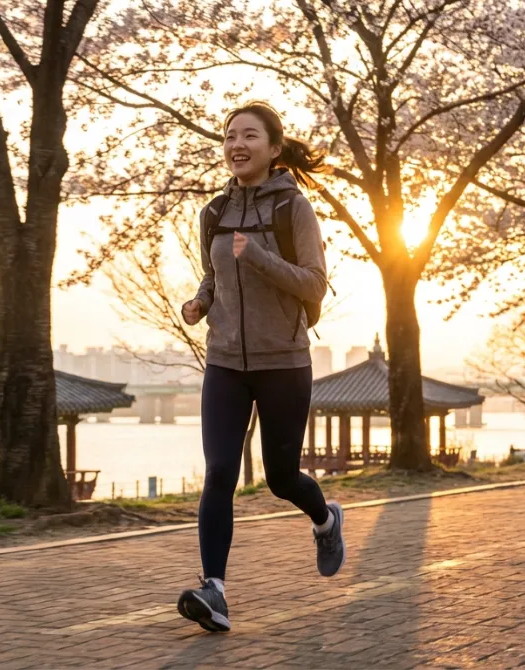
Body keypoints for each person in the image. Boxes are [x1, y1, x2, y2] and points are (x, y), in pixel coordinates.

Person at [176, 101, 345, 633]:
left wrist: (260, 258)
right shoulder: (213, 213)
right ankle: (216, 591)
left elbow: (314, 284)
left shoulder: (292, 207)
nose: (236, 145)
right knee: (220, 471)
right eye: (230, 136)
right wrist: (200, 302)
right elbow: (214, 275)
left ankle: (325, 519)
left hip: (283, 363)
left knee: (279, 476)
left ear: (274, 149)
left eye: (249, 136)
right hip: (225, 361)